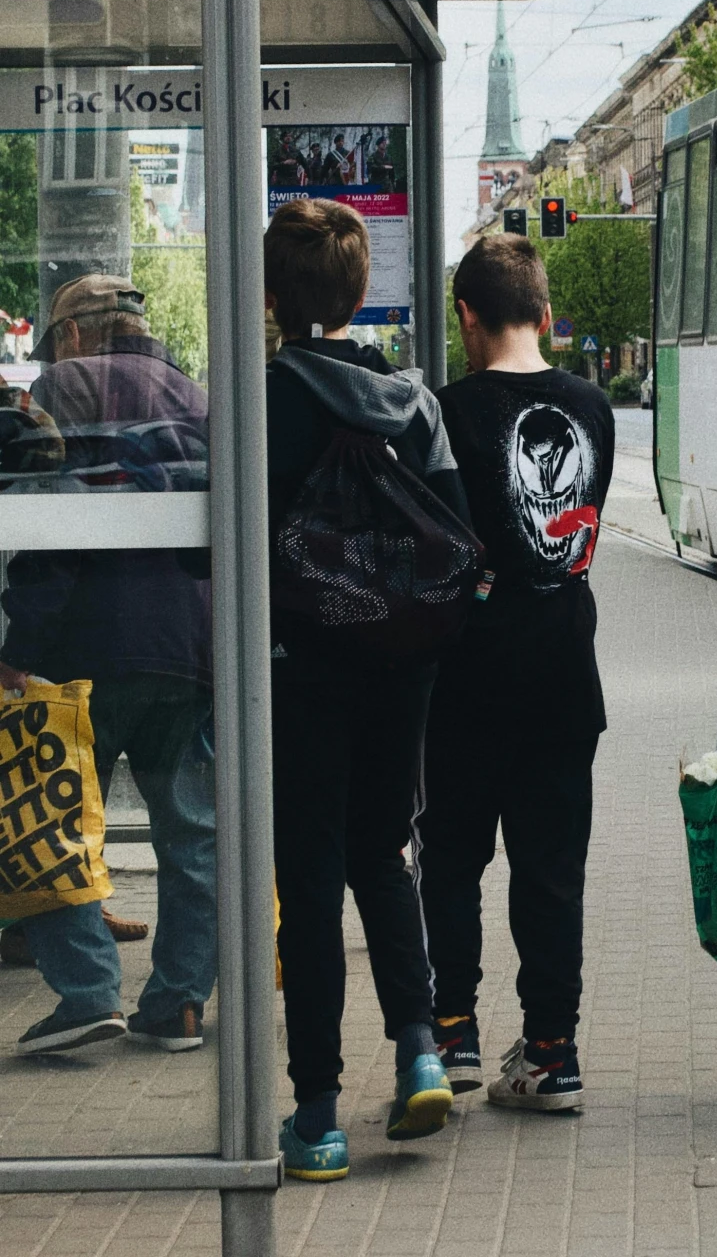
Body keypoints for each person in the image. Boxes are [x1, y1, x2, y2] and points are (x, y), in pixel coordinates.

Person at [265, 199, 467, 1180]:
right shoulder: (414, 399)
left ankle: (317, 1116)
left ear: (271, 295)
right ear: (359, 290)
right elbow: (457, 536)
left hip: (301, 668)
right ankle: (422, 1048)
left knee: (306, 885)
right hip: (403, 667)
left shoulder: (267, 399)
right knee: (382, 853)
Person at [413, 233, 614, 1114]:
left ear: (467, 314)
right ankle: (550, 1055)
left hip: (465, 670)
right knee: (550, 871)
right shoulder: (593, 405)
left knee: (451, 858)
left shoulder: (441, 411)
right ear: (542, 311)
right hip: (566, 664)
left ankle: (450, 1034)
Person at [2, 276, 217, 1056]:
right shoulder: (196, 396)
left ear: (79, 334)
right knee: (192, 836)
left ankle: (90, 995)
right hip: (187, 647)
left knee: (50, 821)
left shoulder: (65, 385)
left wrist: (18, 648)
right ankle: (180, 1004)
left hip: (83, 650)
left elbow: (55, 515)